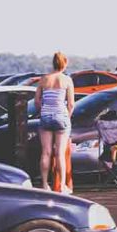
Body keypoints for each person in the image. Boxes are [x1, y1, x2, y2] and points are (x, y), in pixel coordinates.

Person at [35, 52, 75, 193]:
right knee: (60, 153)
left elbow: (37, 101)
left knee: (45, 152)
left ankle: (45, 184)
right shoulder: (67, 80)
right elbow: (71, 104)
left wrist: (42, 112)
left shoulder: (44, 79)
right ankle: (62, 186)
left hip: (46, 115)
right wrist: (67, 117)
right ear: (64, 64)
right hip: (61, 116)